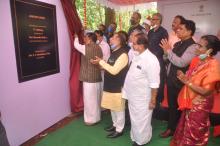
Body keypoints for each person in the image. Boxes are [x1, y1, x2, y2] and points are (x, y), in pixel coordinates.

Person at [170, 35, 220, 146]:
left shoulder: (213, 65)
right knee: (187, 126)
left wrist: (187, 82)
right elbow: (191, 77)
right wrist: (184, 76)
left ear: (210, 50)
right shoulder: (198, 60)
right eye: (197, 44)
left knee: (195, 130)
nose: (196, 47)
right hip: (190, 99)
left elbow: (205, 92)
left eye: (200, 46)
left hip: (200, 102)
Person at [159, 19, 197, 138]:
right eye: (178, 29)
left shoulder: (193, 46)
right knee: (172, 106)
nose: (177, 31)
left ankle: (181, 130)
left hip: (181, 82)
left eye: (181, 29)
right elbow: (168, 60)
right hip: (171, 80)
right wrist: (165, 53)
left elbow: (181, 63)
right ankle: (171, 128)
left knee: (182, 107)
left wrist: (168, 51)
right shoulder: (177, 44)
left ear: (189, 32)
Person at [122, 33, 160, 146]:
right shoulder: (137, 54)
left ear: (142, 45)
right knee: (135, 120)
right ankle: (136, 138)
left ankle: (141, 141)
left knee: (142, 121)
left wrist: (153, 100)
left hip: (143, 97)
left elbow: (154, 83)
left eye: (134, 43)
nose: (131, 45)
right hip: (133, 95)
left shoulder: (151, 60)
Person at [91, 32, 129, 138]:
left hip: (118, 86)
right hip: (110, 85)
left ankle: (119, 129)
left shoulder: (123, 54)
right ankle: (115, 124)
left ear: (119, 40)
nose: (110, 39)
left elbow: (114, 70)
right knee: (112, 107)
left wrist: (102, 62)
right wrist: (99, 63)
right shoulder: (114, 52)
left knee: (119, 108)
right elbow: (108, 66)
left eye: (113, 38)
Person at [74, 32, 103, 125]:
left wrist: (75, 38)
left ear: (90, 39)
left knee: (89, 100)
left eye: (85, 37)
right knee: (96, 99)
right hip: (97, 77)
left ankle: (91, 120)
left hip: (89, 78)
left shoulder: (85, 48)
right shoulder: (99, 47)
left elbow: (76, 45)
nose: (84, 39)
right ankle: (97, 118)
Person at [148, 13, 168, 107]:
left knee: (158, 80)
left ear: (160, 21)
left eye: (155, 19)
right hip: (149, 59)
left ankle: (159, 100)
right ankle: (151, 97)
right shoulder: (150, 31)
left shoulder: (164, 32)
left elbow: (163, 48)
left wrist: (153, 56)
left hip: (158, 60)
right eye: (152, 19)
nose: (153, 21)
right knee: (150, 78)